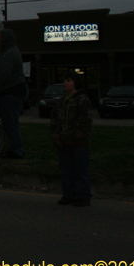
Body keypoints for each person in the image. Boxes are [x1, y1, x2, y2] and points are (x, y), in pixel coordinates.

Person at [50, 70, 93, 207]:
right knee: (66, 169)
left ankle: (83, 195)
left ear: (75, 83)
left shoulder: (82, 100)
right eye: (64, 81)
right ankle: (69, 194)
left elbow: (85, 121)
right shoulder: (62, 101)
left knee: (79, 169)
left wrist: (76, 134)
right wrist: (55, 134)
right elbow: (55, 119)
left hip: (78, 142)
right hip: (63, 142)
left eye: (68, 81)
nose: (64, 83)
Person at [0, 29, 27, 159]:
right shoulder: (11, 52)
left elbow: (3, 75)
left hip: (10, 92)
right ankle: (15, 148)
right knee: (10, 122)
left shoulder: (9, 54)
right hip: (11, 92)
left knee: (10, 122)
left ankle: (16, 149)